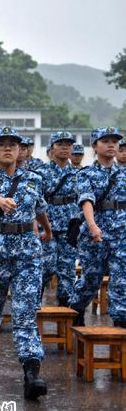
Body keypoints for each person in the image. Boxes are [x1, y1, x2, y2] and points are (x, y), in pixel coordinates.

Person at [0, 126, 53, 400]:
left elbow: (39, 208)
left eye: (13, 144)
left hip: (27, 254)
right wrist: (0, 202)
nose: (8, 148)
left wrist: (46, 229)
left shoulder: (33, 179)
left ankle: (31, 372)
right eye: (1, 144)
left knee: (25, 313)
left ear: (20, 150)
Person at [68, 127, 125, 328]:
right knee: (91, 279)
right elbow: (86, 202)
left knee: (121, 280)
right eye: (105, 141)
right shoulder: (86, 174)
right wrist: (93, 227)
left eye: (115, 141)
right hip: (95, 235)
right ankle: (76, 307)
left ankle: (121, 322)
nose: (111, 145)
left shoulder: (123, 174)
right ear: (94, 146)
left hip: (122, 235)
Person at [37, 132, 79, 306]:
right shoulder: (41, 172)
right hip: (48, 226)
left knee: (67, 269)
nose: (64, 147)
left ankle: (66, 307)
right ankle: (33, 303)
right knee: (46, 266)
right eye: (60, 144)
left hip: (70, 225)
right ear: (51, 148)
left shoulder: (78, 174)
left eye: (68, 144)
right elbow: (35, 202)